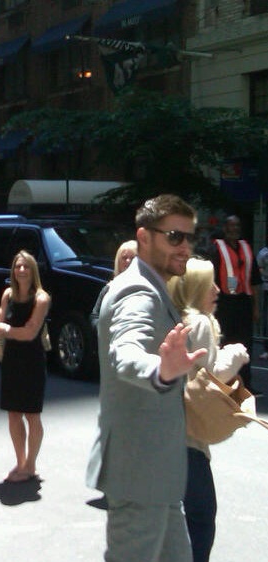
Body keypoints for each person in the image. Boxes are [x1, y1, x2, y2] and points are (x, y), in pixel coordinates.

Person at [86, 194, 207, 562]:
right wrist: (161, 370)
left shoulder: (151, 285)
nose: (185, 247)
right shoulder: (137, 290)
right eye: (174, 236)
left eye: (189, 237)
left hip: (157, 475)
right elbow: (125, 353)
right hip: (140, 475)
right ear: (144, 237)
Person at [168, 257, 249, 562]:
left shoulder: (177, 319)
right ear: (195, 288)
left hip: (167, 433)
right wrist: (236, 354)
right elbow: (209, 375)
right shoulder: (200, 322)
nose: (217, 289)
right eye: (210, 284)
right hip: (188, 439)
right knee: (202, 517)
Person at [0, 250, 50, 483]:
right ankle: (21, 462)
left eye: (26, 266)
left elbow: (29, 332)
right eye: (18, 266)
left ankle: (31, 464)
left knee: (32, 415)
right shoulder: (8, 295)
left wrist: (7, 330)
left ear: (33, 270)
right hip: (12, 359)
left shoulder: (41, 298)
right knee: (14, 414)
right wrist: (4, 330)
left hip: (32, 360)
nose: (21, 270)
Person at [207, 215, 261, 391]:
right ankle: (224, 383)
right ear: (225, 228)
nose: (234, 229)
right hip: (223, 303)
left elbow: (254, 281)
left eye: (237, 225)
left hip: (243, 302)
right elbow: (210, 279)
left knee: (245, 344)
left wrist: (255, 307)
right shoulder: (216, 249)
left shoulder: (246, 248)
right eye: (231, 225)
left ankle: (245, 385)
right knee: (224, 342)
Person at [90, 239, 137, 329]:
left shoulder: (148, 287)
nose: (128, 261)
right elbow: (94, 316)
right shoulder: (109, 288)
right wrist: (106, 329)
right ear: (118, 261)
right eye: (124, 258)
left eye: (133, 258)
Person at [256, 242, 268, 359]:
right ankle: (267, 348)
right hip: (267, 287)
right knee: (267, 319)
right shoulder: (264, 253)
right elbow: (258, 268)